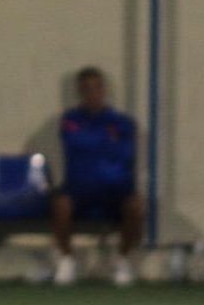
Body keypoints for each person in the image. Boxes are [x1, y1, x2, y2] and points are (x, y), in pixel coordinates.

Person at [51, 66, 144, 286]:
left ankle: (122, 260)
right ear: (80, 92)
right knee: (60, 204)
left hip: (114, 191)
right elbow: (75, 142)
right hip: (80, 191)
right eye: (86, 88)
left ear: (104, 90)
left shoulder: (123, 122)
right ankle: (67, 259)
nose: (92, 93)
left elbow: (124, 152)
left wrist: (94, 141)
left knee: (136, 206)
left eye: (97, 88)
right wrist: (106, 140)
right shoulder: (70, 119)